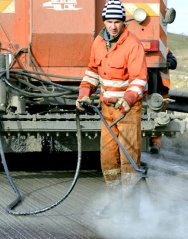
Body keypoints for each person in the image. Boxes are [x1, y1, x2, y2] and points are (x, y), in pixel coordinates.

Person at [76, 0, 148, 220]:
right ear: (104, 22)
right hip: (107, 112)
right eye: (109, 21)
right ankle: (116, 204)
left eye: (117, 22)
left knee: (128, 162)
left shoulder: (132, 44)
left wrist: (127, 99)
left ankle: (132, 209)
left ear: (123, 22)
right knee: (108, 161)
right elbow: (92, 72)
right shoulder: (99, 42)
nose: (113, 26)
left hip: (127, 112)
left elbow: (140, 80)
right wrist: (84, 93)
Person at [149, 49, 177, 154]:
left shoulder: (164, 49)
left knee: (158, 118)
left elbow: (173, 63)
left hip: (161, 91)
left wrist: (163, 62)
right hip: (146, 90)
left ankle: (155, 143)